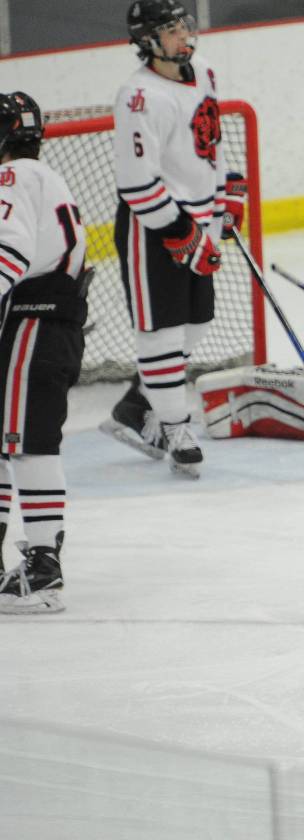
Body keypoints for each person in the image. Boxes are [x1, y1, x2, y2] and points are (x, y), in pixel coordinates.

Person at [101, 0, 239, 479]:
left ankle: (136, 405)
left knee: (197, 322)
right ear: (147, 41)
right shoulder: (137, 97)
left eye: (185, 26)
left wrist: (227, 200)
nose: (184, 36)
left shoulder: (203, 71)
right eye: (171, 30)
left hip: (201, 220)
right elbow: (137, 184)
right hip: (152, 228)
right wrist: (184, 233)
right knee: (160, 333)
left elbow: (211, 144)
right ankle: (174, 426)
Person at [0, 91, 88, 614]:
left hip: (35, 322)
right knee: (9, 437)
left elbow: (8, 252)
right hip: (42, 322)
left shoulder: (11, 178)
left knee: (27, 443)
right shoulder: (41, 176)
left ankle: (41, 567)